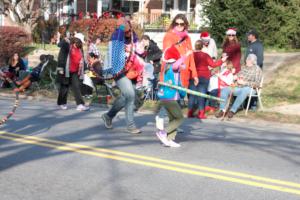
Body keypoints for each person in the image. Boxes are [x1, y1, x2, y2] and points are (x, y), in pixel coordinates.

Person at [101, 17, 141, 134]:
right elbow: (119, 34)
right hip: (119, 71)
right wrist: (122, 26)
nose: (127, 32)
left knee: (126, 97)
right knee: (130, 95)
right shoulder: (116, 37)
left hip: (132, 71)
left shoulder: (134, 38)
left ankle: (108, 116)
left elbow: (140, 53)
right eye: (124, 29)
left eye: (128, 30)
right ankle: (131, 125)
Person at [155, 46, 192, 148]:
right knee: (179, 118)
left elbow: (181, 67)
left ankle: (170, 139)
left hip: (166, 97)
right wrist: (186, 55)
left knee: (173, 119)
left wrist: (182, 93)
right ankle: (163, 133)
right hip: (170, 98)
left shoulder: (168, 67)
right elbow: (177, 65)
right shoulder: (173, 67)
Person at [187, 40, 227, 119]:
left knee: (192, 95)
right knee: (202, 95)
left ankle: (190, 113)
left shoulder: (191, 55)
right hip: (204, 76)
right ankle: (201, 114)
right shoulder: (205, 55)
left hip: (193, 76)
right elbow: (213, 64)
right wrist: (222, 60)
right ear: (202, 47)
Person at [215, 54, 262, 119]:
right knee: (225, 89)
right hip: (238, 87)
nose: (246, 61)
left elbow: (257, 84)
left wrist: (245, 83)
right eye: (246, 60)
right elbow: (238, 75)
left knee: (244, 90)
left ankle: (232, 110)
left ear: (253, 61)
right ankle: (222, 110)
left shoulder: (257, 70)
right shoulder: (244, 67)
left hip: (250, 89)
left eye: (248, 60)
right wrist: (234, 77)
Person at [162, 14, 198, 89]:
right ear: (173, 24)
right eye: (176, 23)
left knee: (181, 98)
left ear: (185, 25)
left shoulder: (187, 38)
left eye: (181, 24)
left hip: (185, 75)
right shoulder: (169, 36)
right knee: (171, 98)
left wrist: (194, 75)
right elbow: (168, 57)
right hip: (172, 74)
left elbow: (191, 58)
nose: (179, 26)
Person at [56, 32, 89, 111]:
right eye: (81, 42)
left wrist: (85, 69)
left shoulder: (80, 48)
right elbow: (61, 57)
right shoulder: (67, 46)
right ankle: (62, 103)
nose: (82, 44)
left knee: (76, 87)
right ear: (77, 41)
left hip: (75, 71)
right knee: (64, 87)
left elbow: (82, 59)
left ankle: (80, 105)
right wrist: (60, 68)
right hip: (65, 70)